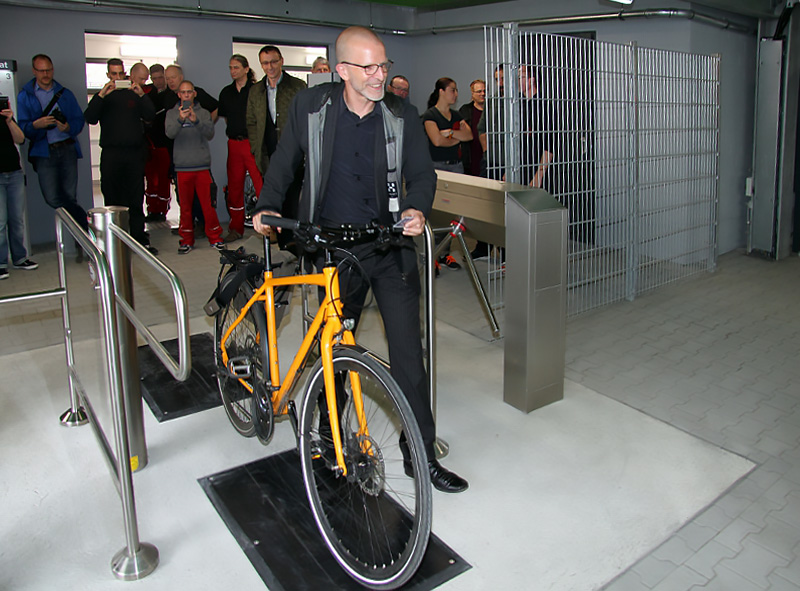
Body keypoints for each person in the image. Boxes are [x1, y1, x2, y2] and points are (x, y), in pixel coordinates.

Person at [253, 25, 468, 494]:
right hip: (334, 251)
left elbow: (422, 175)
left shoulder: (401, 114)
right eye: (368, 67)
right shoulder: (312, 107)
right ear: (341, 69)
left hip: (387, 248)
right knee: (334, 353)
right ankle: (330, 438)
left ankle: (421, 455)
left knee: (410, 359)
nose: (379, 75)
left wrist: (416, 208)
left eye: (383, 65)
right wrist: (268, 204)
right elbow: (285, 158)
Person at [84, 58, 157, 254]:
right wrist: (101, 94)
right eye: (113, 74)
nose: (117, 78)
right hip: (111, 154)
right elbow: (90, 117)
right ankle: (115, 241)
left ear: (125, 73)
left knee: (135, 198)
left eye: (120, 74)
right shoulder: (104, 96)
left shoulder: (133, 94)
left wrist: (141, 95)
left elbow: (150, 115)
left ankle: (139, 240)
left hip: (133, 153)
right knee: (113, 199)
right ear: (108, 75)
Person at [17, 54, 88, 235]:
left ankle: (78, 241)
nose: (46, 74)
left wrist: (68, 127)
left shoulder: (65, 94)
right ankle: (85, 224)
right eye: (41, 71)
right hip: (44, 153)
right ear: (34, 71)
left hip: (67, 149)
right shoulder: (26, 96)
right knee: (52, 197)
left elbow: (79, 120)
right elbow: (22, 128)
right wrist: (35, 125)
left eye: (48, 70)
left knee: (70, 196)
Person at [246, 45, 306, 245]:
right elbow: (251, 121)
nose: (269, 67)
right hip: (267, 152)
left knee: (292, 200)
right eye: (265, 63)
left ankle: (295, 242)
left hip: (294, 155)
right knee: (274, 199)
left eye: (273, 62)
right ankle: (282, 242)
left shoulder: (297, 87)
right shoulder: (256, 90)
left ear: (281, 61)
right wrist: (256, 148)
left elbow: (305, 119)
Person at [421, 77, 473, 271]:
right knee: (437, 212)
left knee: (452, 213)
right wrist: (454, 137)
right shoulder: (430, 115)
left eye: (456, 90)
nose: (456, 94)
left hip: (456, 167)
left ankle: (445, 254)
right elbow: (436, 141)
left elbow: (468, 136)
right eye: (452, 90)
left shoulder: (456, 114)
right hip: (438, 167)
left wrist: (449, 133)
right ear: (441, 91)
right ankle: (432, 255)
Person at [165, 81, 223, 254]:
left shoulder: (203, 113)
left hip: (202, 166)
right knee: (186, 207)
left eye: (189, 92)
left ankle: (215, 238)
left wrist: (195, 120)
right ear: (179, 95)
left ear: (194, 93)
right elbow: (170, 133)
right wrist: (180, 119)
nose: (187, 95)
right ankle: (186, 240)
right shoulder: (171, 113)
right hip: (182, 167)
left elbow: (209, 133)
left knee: (208, 206)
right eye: (183, 92)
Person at [218, 54, 262, 243]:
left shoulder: (256, 90)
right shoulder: (226, 92)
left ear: (246, 69)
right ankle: (235, 228)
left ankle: (270, 228)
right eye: (230, 67)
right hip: (234, 144)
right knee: (235, 187)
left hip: (251, 143)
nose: (233, 71)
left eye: (236, 67)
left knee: (261, 186)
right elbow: (227, 118)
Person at [1, 101, 38, 280]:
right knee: (0, 221)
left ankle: (19, 257)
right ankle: (1, 263)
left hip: (14, 172)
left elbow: (20, 139)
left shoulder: (5, 116)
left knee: (16, 218)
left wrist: (9, 121)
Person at [143, 63, 172, 221]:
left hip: (164, 144)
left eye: (160, 77)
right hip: (149, 144)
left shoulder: (171, 94)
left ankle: (162, 210)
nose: (157, 81)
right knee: (150, 180)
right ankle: (151, 209)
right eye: (154, 78)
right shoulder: (147, 93)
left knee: (163, 180)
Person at [458, 79, 485, 177]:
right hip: (470, 155)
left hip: (489, 157)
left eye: (485, 91)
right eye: (479, 91)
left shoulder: (493, 110)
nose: (483, 94)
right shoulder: (465, 110)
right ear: (472, 93)